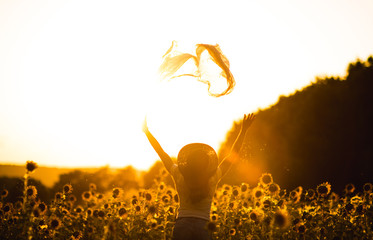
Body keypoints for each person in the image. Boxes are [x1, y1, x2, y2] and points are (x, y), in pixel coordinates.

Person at [142, 113, 255, 240]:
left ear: (188, 161)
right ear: (207, 163)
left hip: (182, 225)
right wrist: (243, 130)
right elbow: (231, 155)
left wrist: (147, 133)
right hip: (204, 227)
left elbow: (161, 153)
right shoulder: (213, 177)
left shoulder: (179, 173)